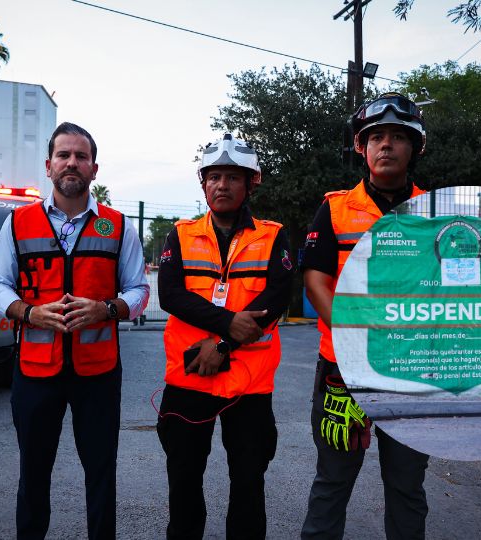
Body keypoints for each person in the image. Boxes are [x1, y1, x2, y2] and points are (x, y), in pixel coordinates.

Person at [0, 122, 149, 540]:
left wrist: (106, 308)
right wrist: (28, 312)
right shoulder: (19, 223)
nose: (72, 163)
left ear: (95, 169)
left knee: (100, 475)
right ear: (49, 165)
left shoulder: (117, 225)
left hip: (98, 374)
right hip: (36, 373)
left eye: (81, 156)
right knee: (33, 475)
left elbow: (139, 289)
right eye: (64, 155)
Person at [299, 92, 431, 539]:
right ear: (362, 147)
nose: (386, 145)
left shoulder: (437, 211)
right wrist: (353, 331)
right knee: (333, 480)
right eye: (376, 137)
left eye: (398, 137)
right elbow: (315, 278)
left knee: (407, 485)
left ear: (415, 147)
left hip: (413, 371)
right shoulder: (334, 208)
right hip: (344, 370)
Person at [157, 133, 293, 539]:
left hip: (249, 382)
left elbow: (277, 297)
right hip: (189, 376)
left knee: (249, 482)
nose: (222, 185)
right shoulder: (180, 234)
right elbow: (170, 295)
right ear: (203, 184)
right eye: (214, 177)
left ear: (251, 182)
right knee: (183, 481)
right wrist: (227, 323)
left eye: (233, 177)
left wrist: (224, 344)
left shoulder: (273, 235)